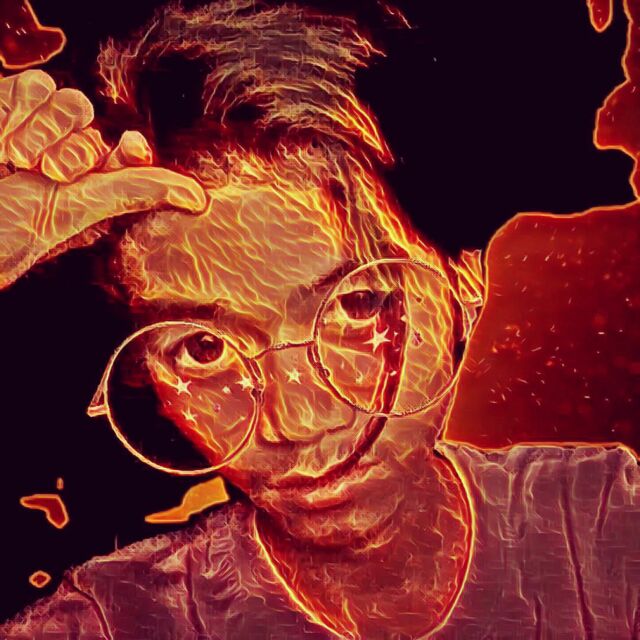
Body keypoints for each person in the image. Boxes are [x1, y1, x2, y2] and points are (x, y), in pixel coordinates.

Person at [1, 2, 639, 639]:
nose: (298, 421)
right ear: (145, 373)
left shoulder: (604, 526)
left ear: (463, 278)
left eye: (359, 306)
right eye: (203, 348)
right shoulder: (117, 621)